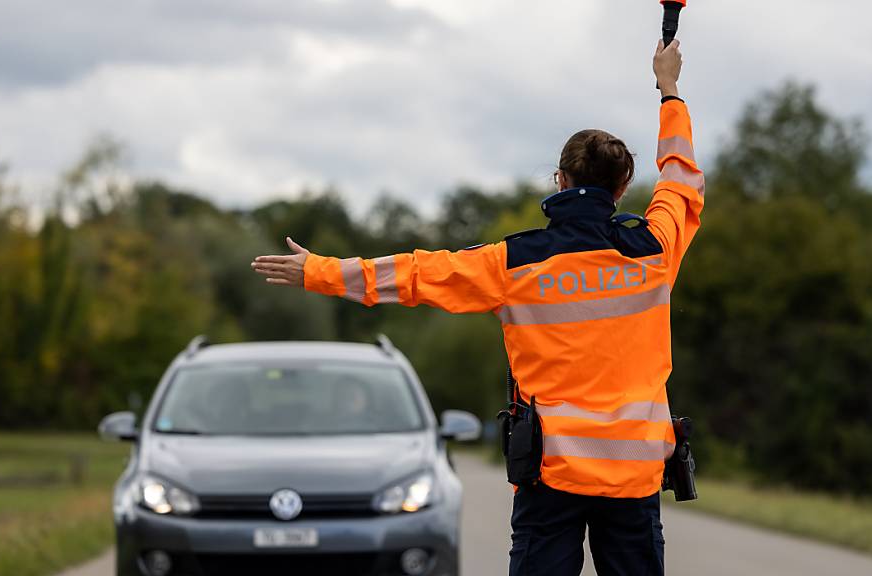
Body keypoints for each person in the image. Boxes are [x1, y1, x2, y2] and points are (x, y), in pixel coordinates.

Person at [252, 39, 701, 576]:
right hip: (633, 477)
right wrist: (669, 89)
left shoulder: (511, 262)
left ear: (560, 182)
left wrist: (319, 271)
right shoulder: (654, 251)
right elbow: (680, 178)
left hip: (550, 477)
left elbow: (416, 274)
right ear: (622, 188)